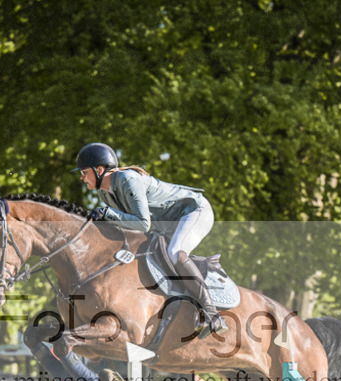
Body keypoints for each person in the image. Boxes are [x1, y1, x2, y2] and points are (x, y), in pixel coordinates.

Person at [73, 141, 228, 338]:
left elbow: (143, 224)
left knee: (175, 253)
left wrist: (108, 214)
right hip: (167, 224)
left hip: (194, 211)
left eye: (84, 172)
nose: (81, 177)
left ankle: (213, 314)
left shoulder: (128, 180)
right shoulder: (105, 194)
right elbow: (127, 226)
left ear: (100, 170)